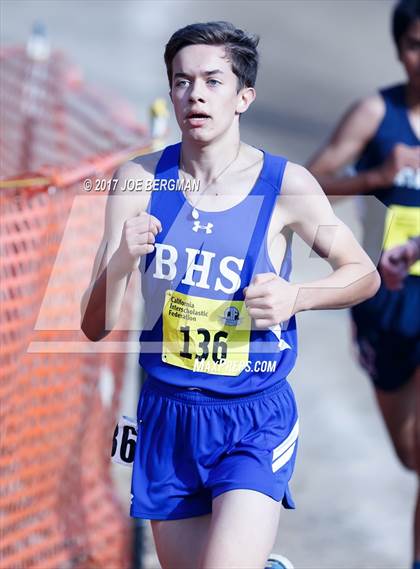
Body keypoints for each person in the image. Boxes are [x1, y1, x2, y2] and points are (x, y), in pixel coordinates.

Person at [81, 21, 379, 569]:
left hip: (252, 416)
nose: (194, 94)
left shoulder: (286, 185)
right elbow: (95, 324)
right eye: (181, 81)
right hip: (168, 418)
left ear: (244, 97)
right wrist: (122, 258)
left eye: (212, 81)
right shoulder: (139, 182)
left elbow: (363, 272)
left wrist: (296, 297)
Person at [307, 1, 420, 568]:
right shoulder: (376, 114)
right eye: (416, 45)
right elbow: (305, 187)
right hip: (389, 300)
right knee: (411, 454)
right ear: (400, 49)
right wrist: (376, 177)